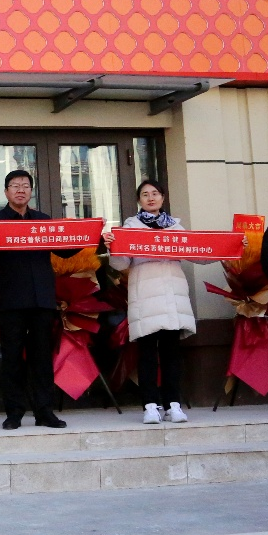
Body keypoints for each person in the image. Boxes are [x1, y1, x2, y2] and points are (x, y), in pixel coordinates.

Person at [0, 169, 73, 431]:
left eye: (25, 185)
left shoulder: (43, 221)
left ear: (31, 191)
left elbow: (65, 250)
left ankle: (45, 412)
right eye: (15, 186)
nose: (21, 190)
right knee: (12, 359)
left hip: (42, 299)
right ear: (6, 192)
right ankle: (14, 413)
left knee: (42, 358)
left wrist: (91, 234)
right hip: (11, 300)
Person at [104, 180, 204, 425]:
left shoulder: (176, 227)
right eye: (145, 194)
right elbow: (120, 264)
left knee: (171, 354)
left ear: (163, 197)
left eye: (155, 193)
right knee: (147, 354)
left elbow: (199, 254)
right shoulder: (130, 227)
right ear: (139, 200)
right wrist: (113, 247)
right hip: (146, 296)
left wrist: (233, 246)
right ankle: (150, 405)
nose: (151, 198)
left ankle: (173, 405)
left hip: (172, 296)